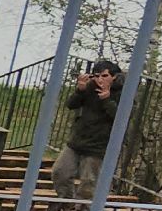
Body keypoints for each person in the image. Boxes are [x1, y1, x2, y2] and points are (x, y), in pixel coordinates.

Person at [53, 59, 125, 203]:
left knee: (89, 181)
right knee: (60, 171)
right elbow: (71, 105)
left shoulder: (124, 93)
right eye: (96, 75)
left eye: (104, 76)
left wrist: (107, 99)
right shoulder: (90, 87)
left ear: (114, 77)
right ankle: (66, 203)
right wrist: (80, 90)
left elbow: (121, 117)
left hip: (99, 145)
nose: (99, 80)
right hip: (78, 140)